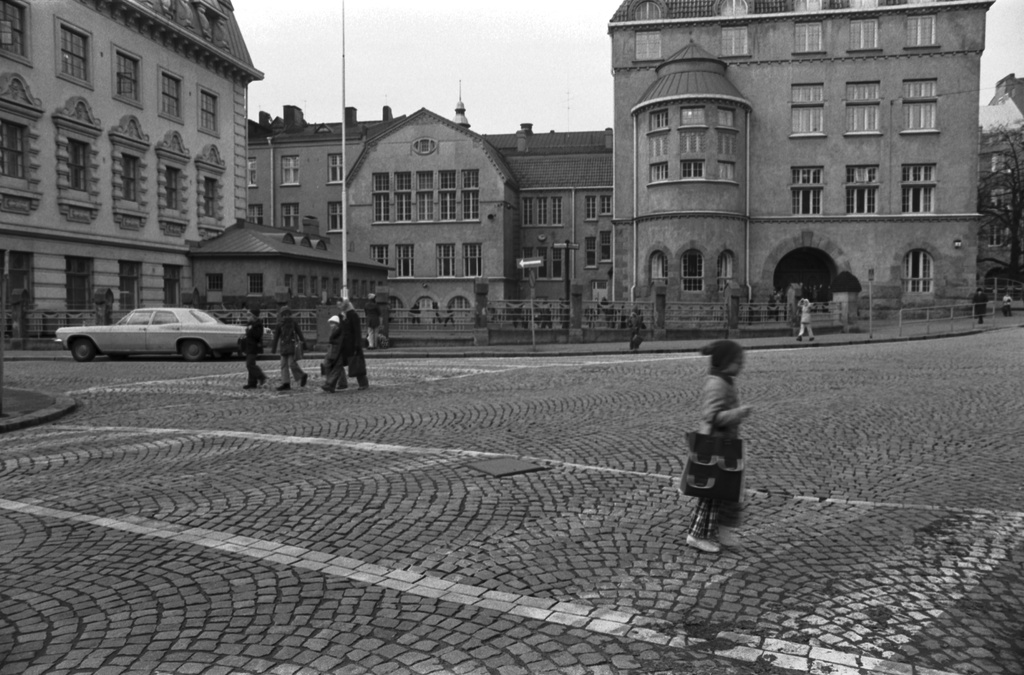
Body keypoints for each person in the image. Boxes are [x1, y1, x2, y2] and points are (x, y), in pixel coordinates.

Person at [686, 340, 753, 554]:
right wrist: (738, 414)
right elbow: (711, 416)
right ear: (727, 362)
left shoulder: (725, 380)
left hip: (725, 445)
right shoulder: (717, 384)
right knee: (710, 495)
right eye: (738, 361)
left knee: (726, 492)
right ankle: (696, 534)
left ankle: (723, 533)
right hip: (715, 447)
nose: (741, 365)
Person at [270, 307, 307, 391]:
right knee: (283, 365)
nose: (286, 316)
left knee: (291, 363)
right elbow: (276, 337)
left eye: (287, 314)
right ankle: (286, 383)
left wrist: (304, 344)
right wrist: (273, 348)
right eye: (284, 315)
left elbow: (299, 333)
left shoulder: (293, 323)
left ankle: (301, 375)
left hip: (291, 346)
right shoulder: (280, 324)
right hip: (284, 346)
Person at [340, 298, 370, 390]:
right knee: (341, 363)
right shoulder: (347, 315)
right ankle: (343, 383)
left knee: (356, 364)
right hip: (347, 344)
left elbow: (357, 331)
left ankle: (362, 383)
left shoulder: (352, 315)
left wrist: (357, 344)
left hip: (352, 344)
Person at [241, 307, 267, 390]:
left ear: (254, 316)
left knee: (250, 364)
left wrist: (250, 330)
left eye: (249, 315)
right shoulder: (250, 325)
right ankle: (252, 383)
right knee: (250, 364)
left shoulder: (258, 325)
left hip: (254, 347)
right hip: (249, 347)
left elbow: (257, 336)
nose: (247, 317)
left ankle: (261, 376)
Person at [321, 315, 347, 393]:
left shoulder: (338, 332)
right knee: (332, 367)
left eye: (332, 323)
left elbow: (339, 344)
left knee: (336, 368)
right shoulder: (335, 331)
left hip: (337, 352)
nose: (331, 325)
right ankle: (336, 384)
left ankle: (330, 384)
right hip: (333, 352)